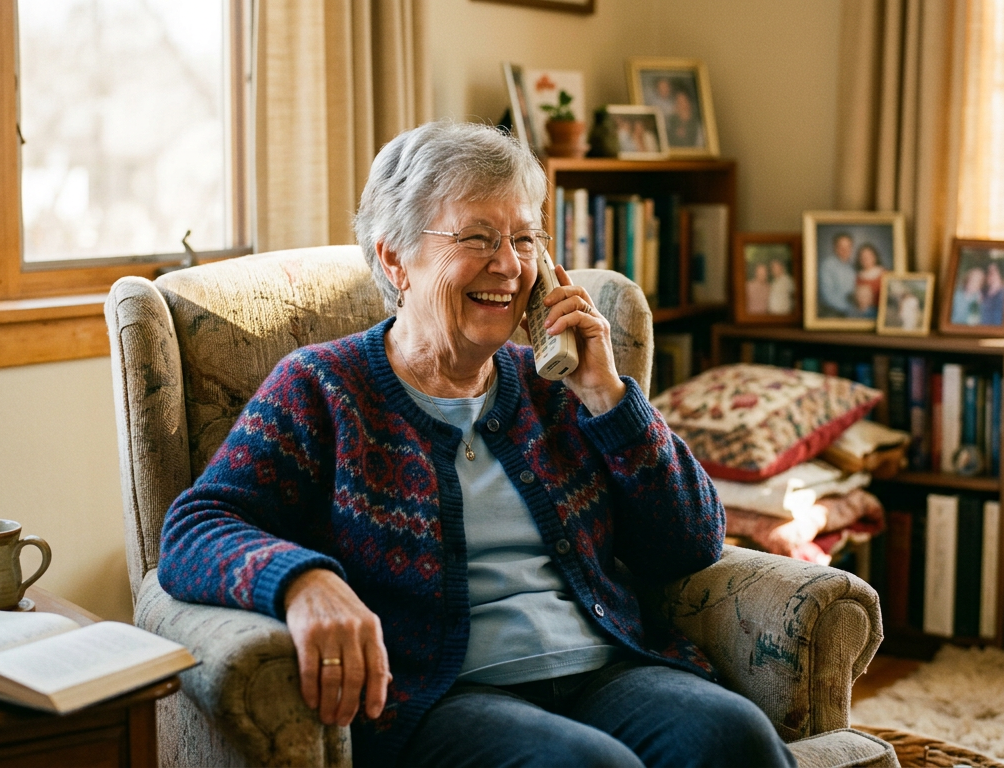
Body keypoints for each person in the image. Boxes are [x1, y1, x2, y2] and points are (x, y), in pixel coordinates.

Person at [157, 122, 794, 768]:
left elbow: (691, 539)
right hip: (447, 697)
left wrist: (608, 397)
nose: (511, 265)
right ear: (395, 259)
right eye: (478, 238)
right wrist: (302, 582)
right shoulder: (322, 388)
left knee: (733, 736)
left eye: (525, 239)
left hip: (606, 667)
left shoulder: (561, 392)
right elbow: (193, 528)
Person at [818, 232, 856, 317]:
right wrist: (851, 310)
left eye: (848, 246)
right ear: (834, 247)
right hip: (833, 313)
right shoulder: (827, 265)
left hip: (851, 313)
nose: (845, 250)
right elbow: (827, 296)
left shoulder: (852, 267)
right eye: (841, 246)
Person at [853, 244, 884, 319]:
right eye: (863, 257)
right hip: (864, 315)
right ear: (859, 259)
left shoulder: (884, 274)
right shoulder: (858, 277)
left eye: (869, 256)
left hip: (881, 314)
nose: (866, 259)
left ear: (875, 257)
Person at [981, 262, 1004, 327]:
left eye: (993, 272)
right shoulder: (983, 293)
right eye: (988, 272)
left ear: (999, 274)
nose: (990, 275)